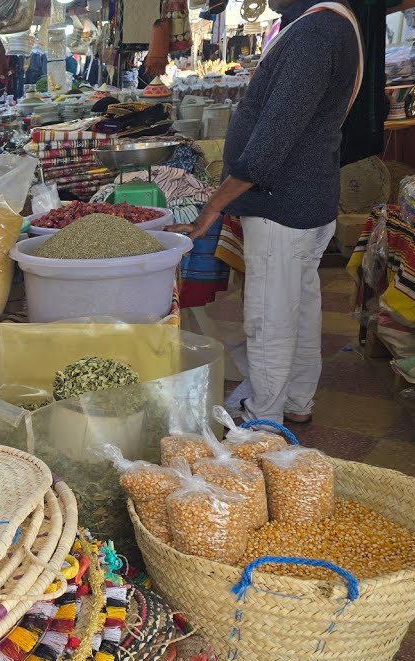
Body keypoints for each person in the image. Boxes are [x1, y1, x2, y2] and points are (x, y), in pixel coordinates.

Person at [168, 0, 361, 426]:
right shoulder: (328, 25)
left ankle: (263, 419)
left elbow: (269, 145)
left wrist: (212, 208)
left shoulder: (314, 34)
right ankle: (295, 401)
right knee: (299, 305)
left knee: (270, 316)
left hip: (282, 203)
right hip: (304, 198)